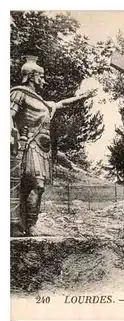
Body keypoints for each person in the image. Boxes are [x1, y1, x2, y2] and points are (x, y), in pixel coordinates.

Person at [10, 55, 95, 236]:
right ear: (31, 76)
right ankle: (29, 225)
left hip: (42, 149)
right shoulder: (19, 93)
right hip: (28, 146)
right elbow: (7, 114)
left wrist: (82, 97)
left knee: (34, 187)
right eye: (41, 76)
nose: (44, 80)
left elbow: (61, 104)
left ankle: (27, 225)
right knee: (36, 185)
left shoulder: (40, 101)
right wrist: (11, 134)